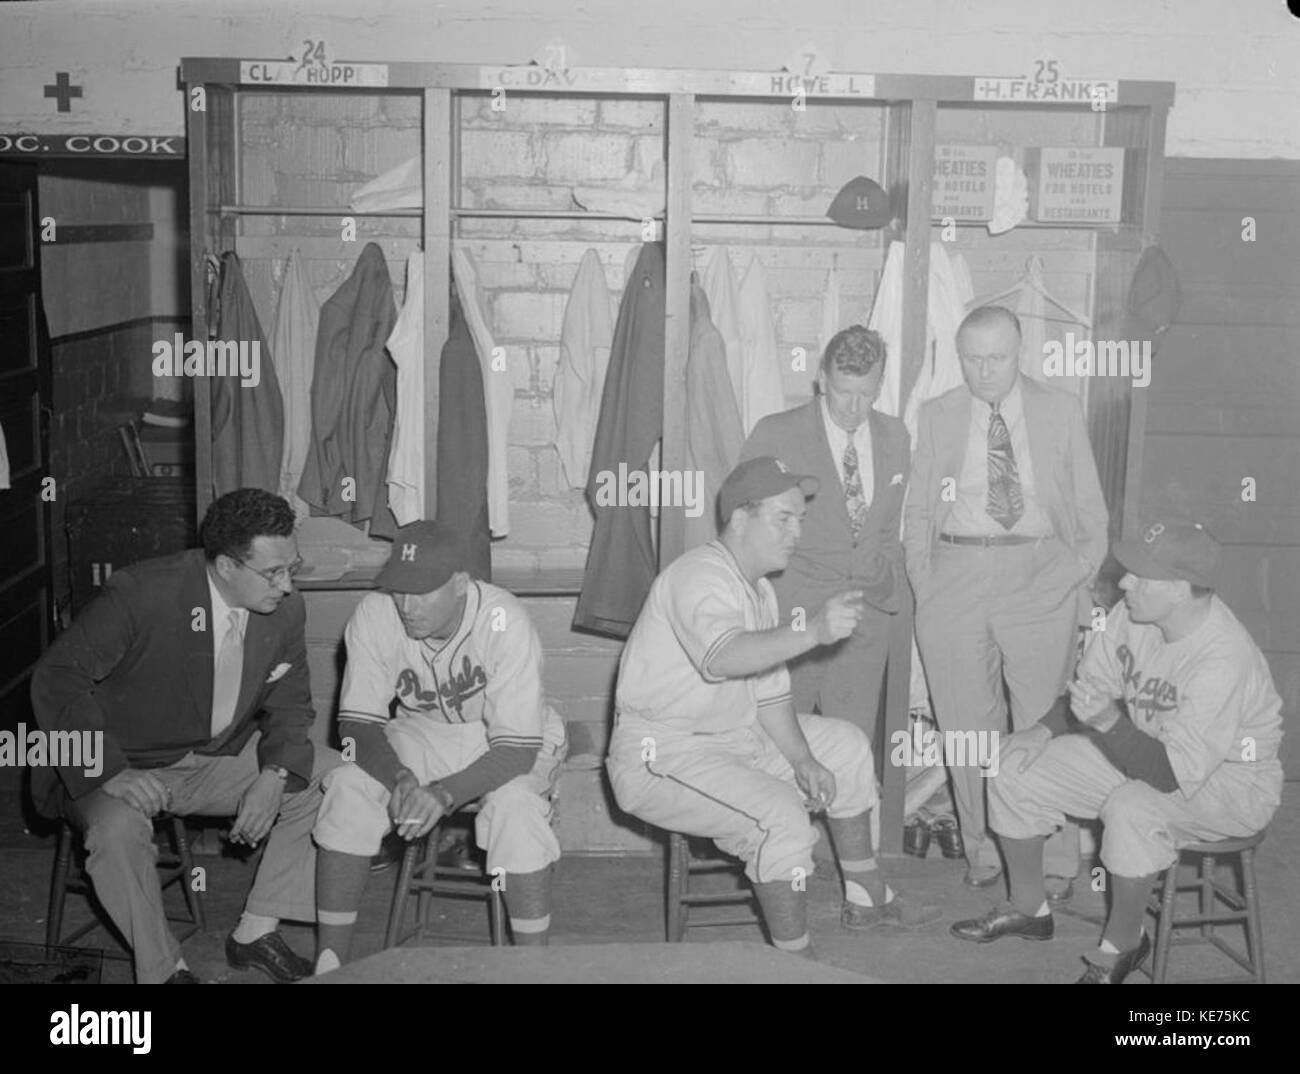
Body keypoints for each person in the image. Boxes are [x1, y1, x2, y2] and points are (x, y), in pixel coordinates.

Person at [607, 457, 940, 959]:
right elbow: (724, 657)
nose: (796, 532)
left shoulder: (758, 588)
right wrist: (812, 631)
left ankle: (865, 894)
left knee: (846, 745)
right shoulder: (698, 575)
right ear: (741, 519)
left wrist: (803, 759)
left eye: (800, 519)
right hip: (662, 755)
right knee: (782, 816)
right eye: (783, 519)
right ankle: (794, 961)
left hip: (730, 740)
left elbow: (769, 694)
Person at [951, 519, 1284, 983]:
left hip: (1229, 783)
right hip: (1145, 750)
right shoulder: (1137, 615)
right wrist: (1041, 732)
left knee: (1131, 807)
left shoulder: (1223, 657)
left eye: (1141, 576)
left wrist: (1107, 720)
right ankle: (1029, 908)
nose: (1125, 582)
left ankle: (1124, 944)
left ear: (1181, 589)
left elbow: (1168, 776)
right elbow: (1087, 694)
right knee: (1011, 763)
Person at [30, 488, 338, 984]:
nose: (287, 585)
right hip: (115, 760)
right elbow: (57, 675)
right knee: (117, 833)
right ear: (225, 567)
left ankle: (255, 933)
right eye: (273, 572)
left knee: (329, 780)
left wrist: (275, 774)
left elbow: (290, 703)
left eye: (292, 567)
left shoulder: (285, 610)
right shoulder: (143, 593)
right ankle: (165, 972)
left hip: (205, 759)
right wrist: (108, 770)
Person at [905, 305, 1108, 895]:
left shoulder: (1059, 409)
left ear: (1019, 354)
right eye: (972, 358)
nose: (984, 371)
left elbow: (1091, 510)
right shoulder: (938, 413)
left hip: (1039, 570)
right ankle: (985, 849)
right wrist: (927, 582)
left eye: (996, 358)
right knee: (967, 730)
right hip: (955, 574)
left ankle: (1053, 861)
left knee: (1044, 722)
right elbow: (919, 508)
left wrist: (1073, 573)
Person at [312, 520, 567, 971]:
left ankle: (533, 971)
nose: (407, 605)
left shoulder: (504, 620)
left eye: (423, 591)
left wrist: (444, 793)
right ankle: (329, 964)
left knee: (515, 810)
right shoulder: (375, 613)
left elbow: (515, 750)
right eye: (399, 590)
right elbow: (355, 727)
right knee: (348, 785)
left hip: (511, 735)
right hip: (423, 730)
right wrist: (401, 778)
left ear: (462, 583)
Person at [740, 325, 909, 752]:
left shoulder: (896, 437)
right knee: (777, 754)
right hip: (791, 620)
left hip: (865, 624)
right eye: (842, 392)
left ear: (879, 385)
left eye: (865, 394)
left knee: (851, 753)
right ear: (821, 379)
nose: (853, 407)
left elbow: (887, 529)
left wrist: (886, 584)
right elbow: (743, 525)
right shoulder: (774, 433)